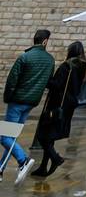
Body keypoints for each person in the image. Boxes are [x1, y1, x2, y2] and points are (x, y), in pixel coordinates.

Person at [1, 28, 55, 185]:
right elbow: (48, 81)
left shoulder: (25, 57)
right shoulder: (50, 60)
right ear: (45, 41)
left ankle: (23, 160)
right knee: (11, 137)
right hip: (30, 103)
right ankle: (0, 168)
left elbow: (12, 81)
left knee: (5, 137)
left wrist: (8, 98)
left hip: (16, 102)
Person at [32, 40, 86, 176]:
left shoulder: (66, 66)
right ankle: (43, 166)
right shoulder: (82, 67)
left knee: (42, 135)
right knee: (50, 136)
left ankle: (55, 159)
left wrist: (45, 79)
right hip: (68, 106)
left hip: (57, 105)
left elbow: (57, 85)